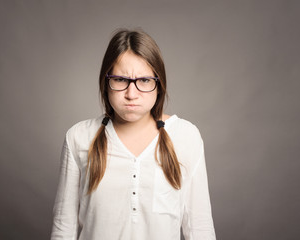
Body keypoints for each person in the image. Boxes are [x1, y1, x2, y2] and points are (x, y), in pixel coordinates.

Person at [50, 29, 216, 240]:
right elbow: (63, 228)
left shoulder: (186, 137)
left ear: (159, 84)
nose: (131, 94)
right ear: (105, 82)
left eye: (144, 80)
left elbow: (200, 228)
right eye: (120, 79)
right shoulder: (79, 137)